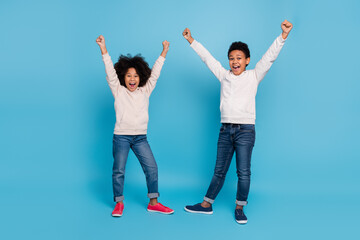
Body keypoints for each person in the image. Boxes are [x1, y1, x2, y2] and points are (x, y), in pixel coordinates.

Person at [182, 20, 293, 224]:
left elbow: (269, 58)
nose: (235, 61)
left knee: (243, 172)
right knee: (219, 171)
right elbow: (207, 59)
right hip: (225, 131)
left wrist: (282, 36)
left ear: (247, 60)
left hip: (245, 131)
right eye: (231, 58)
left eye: (239, 58)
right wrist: (191, 40)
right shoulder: (224, 76)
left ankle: (240, 207)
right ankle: (206, 205)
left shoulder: (254, 76)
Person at [96, 35, 174, 217]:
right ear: (123, 77)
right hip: (121, 136)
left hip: (140, 137)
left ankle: (153, 203)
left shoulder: (145, 91)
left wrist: (163, 52)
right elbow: (109, 71)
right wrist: (103, 49)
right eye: (129, 76)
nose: (132, 79)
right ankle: (119, 203)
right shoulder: (118, 89)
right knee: (119, 170)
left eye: (136, 76)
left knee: (152, 168)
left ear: (141, 77)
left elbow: (155, 73)